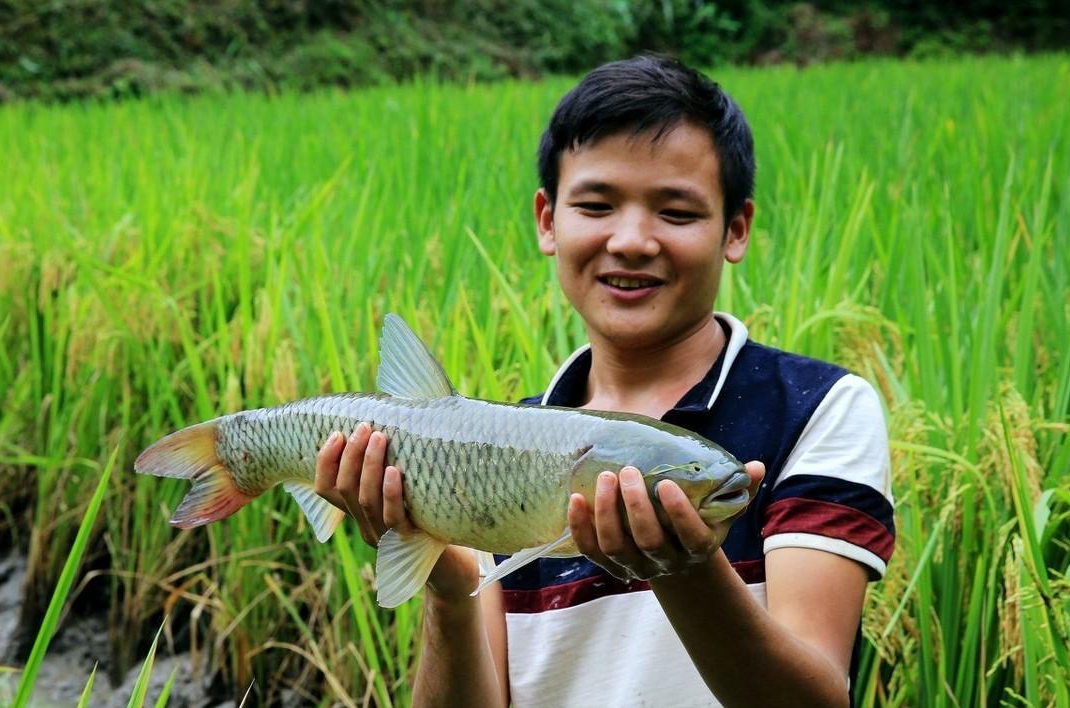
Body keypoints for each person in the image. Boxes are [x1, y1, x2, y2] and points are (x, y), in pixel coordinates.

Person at [312, 55, 894, 707]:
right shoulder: (487, 448)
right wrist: (448, 588)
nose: (631, 240)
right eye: (595, 205)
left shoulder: (816, 409)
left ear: (735, 229)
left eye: (675, 213)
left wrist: (685, 568)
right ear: (546, 220)